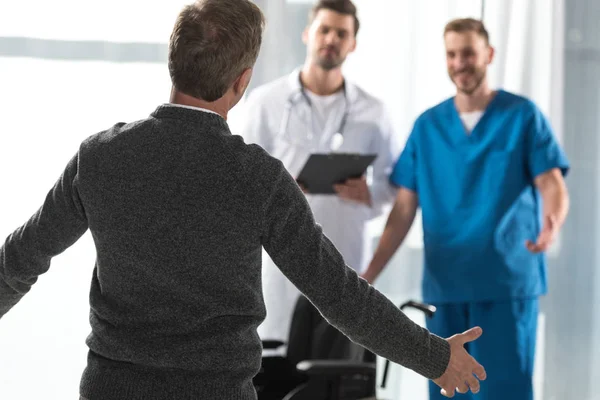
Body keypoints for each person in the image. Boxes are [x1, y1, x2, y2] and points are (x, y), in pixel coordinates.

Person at [0, 1, 486, 398]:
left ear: (174, 61)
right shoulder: (259, 178)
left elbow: (19, 257)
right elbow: (340, 297)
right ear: (241, 82)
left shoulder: (100, 157)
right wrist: (436, 358)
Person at [361, 18, 570, 400]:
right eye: (452, 54)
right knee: (449, 393)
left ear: (488, 55)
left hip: (506, 283)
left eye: (469, 53)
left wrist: (551, 225)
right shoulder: (427, 126)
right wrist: (370, 272)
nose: (460, 63)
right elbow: (404, 209)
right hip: (446, 286)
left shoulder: (522, 116)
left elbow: (551, 183)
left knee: (505, 391)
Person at [241, 0, 400, 347]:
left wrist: (369, 194)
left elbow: (393, 189)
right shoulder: (265, 103)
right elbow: (241, 183)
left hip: (346, 264)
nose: (331, 39)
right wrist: (281, 188)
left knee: (337, 371)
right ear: (307, 34)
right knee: (277, 372)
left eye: (341, 33)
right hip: (278, 269)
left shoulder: (374, 112)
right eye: (324, 30)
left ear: (353, 43)